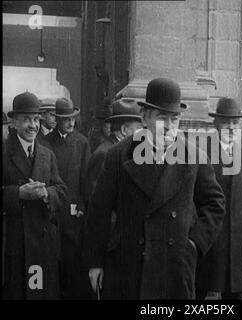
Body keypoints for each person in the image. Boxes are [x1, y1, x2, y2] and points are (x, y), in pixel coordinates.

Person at [83, 78, 226, 299]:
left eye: (175, 119)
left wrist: (194, 244)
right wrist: (96, 262)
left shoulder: (194, 158)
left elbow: (215, 204)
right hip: (128, 266)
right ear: (145, 117)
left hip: (175, 268)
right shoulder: (119, 155)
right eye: (162, 118)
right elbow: (98, 212)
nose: (169, 126)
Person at [2, 92, 67, 299]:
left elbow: (62, 191)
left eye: (36, 119)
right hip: (14, 244)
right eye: (26, 119)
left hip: (43, 244)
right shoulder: (4, 153)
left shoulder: (47, 155)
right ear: (14, 122)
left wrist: (46, 193)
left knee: (41, 294)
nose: (33, 125)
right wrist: (19, 193)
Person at [195, 97, 242, 300]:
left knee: (234, 288)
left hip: (237, 235)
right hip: (211, 235)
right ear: (216, 124)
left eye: (235, 123)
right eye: (225, 122)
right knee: (204, 285)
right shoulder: (202, 153)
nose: (231, 128)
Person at [84, 98, 143, 299]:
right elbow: (98, 209)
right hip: (113, 247)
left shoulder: (125, 152)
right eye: (139, 128)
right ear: (125, 129)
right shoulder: (106, 154)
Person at [46, 98, 91, 299]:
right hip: (54, 208)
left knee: (72, 255)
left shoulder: (81, 142)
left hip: (73, 208)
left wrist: (82, 202)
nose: (71, 123)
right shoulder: (46, 143)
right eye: (66, 120)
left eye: (73, 119)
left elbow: (86, 177)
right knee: (54, 254)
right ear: (56, 119)